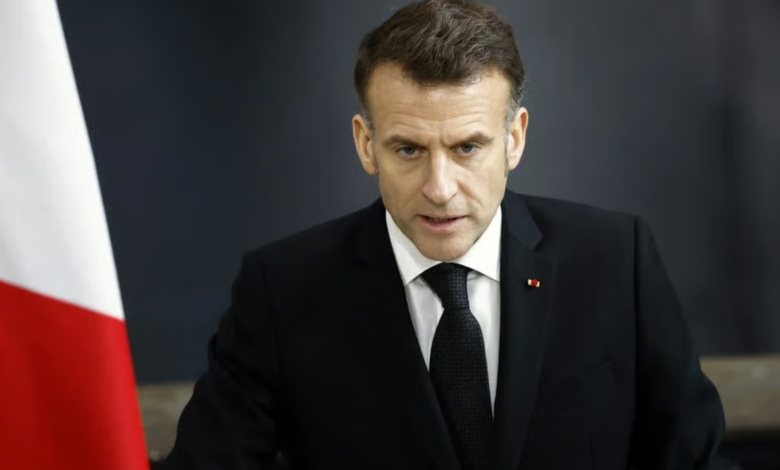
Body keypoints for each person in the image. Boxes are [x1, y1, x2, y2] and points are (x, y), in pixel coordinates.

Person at [162, 1, 737, 469]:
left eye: (467, 147)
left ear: (514, 139)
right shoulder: (282, 292)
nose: (439, 189)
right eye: (408, 150)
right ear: (366, 144)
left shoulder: (616, 262)